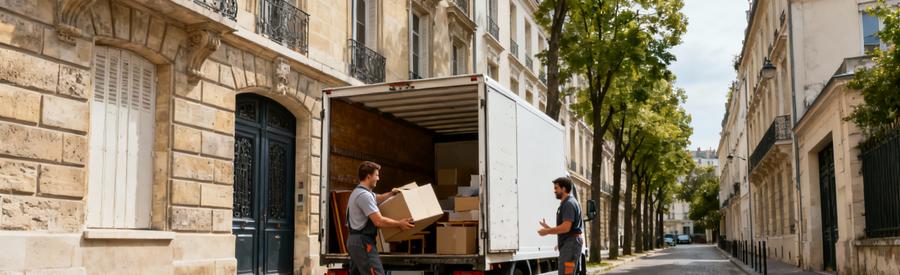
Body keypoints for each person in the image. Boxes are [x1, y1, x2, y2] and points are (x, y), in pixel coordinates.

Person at [347, 161, 415, 275]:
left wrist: (391, 194)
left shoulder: (359, 192)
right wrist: (399, 223)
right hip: (363, 242)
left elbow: (377, 198)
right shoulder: (364, 196)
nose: (378, 178)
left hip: (355, 241)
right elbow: (378, 221)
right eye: (376, 175)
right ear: (369, 176)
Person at [538, 177, 584, 275]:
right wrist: (549, 228)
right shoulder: (567, 203)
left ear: (563, 189)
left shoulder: (569, 204)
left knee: (566, 273)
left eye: (556, 188)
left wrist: (547, 232)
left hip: (570, 246)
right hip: (569, 245)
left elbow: (566, 227)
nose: (554, 191)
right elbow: (568, 229)